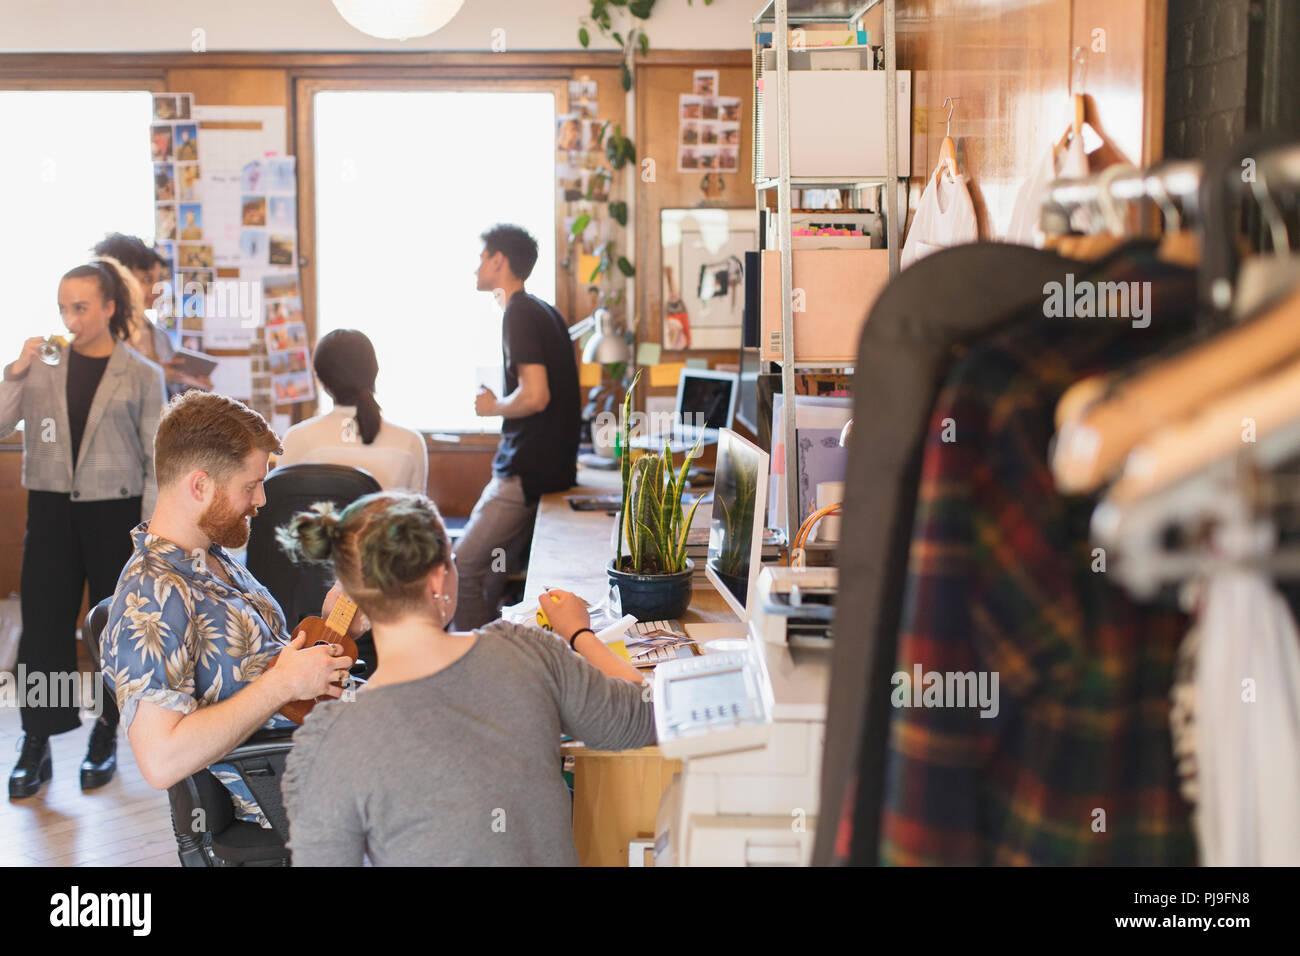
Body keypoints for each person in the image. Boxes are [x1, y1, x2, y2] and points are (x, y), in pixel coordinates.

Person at [278, 491, 651, 865]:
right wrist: (577, 633)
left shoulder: (328, 742)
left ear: (352, 595)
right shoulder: (528, 652)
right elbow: (643, 717)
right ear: (439, 580)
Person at [99, 390, 363, 826]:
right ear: (200, 485)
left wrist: (336, 627)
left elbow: (263, 667)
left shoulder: (211, 557)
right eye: (250, 485)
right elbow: (161, 761)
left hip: (331, 744)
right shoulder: (152, 595)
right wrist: (281, 685)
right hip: (298, 787)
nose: (261, 500)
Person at [2, 257, 168, 798]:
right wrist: (15, 373)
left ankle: (106, 733)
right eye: (62, 308)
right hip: (51, 510)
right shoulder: (44, 362)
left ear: (110, 308)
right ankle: (36, 742)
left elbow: (155, 462)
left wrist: (149, 536)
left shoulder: (143, 375)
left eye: (80, 307)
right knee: (43, 628)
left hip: (116, 516)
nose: (69, 318)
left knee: (112, 632)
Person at [454, 224, 580, 629]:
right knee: (494, 569)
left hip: (525, 470)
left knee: (464, 564)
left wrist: (493, 407)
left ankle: (473, 666)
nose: (476, 268)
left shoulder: (519, 312)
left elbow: (536, 394)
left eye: (481, 258)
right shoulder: (543, 310)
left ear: (498, 261)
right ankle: (495, 651)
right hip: (545, 470)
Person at [278, 329, 428, 493]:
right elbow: (418, 515)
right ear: (375, 372)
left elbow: (283, 513)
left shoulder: (297, 438)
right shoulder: (411, 442)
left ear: (320, 380)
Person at [91, 233, 212, 395]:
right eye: (147, 280)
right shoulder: (100, 337)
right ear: (117, 279)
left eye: (160, 279)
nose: (159, 288)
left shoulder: (161, 338)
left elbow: (169, 399)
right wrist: (157, 375)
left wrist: (191, 388)